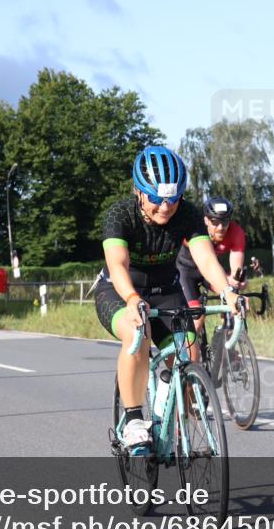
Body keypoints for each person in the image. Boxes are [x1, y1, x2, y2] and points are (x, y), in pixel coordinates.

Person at [95, 146, 242, 450]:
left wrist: (226, 291)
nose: (165, 207)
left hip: (165, 291)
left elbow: (205, 258)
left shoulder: (187, 214)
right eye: (157, 199)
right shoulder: (119, 215)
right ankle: (134, 420)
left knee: (188, 349)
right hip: (120, 290)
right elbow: (117, 265)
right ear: (138, 191)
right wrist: (133, 298)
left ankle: (175, 405)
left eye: (173, 199)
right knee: (138, 332)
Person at [176, 196, 247, 335]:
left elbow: (236, 269)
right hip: (185, 273)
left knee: (233, 302)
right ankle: (189, 353)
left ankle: (225, 343)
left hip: (208, 273)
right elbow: (205, 260)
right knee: (196, 318)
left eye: (225, 222)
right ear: (206, 220)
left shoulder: (236, 232)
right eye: (215, 222)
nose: (221, 228)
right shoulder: (196, 229)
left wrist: (237, 281)